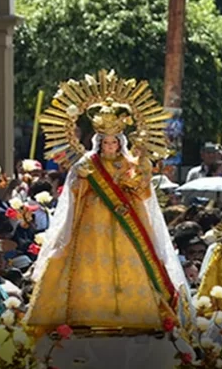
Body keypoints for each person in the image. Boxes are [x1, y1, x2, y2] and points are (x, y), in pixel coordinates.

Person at [25, 97, 191, 332]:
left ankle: (137, 315)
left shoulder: (129, 163)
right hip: (91, 221)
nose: (110, 146)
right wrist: (79, 179)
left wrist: (142, 172)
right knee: (88, 263)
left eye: (114, 142)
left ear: (120, 142)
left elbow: (141, 193)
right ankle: (84, 312)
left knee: (131, 264)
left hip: (126, 223)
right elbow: (73, 194)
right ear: (99, 142)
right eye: (106, 142)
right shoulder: (88, 162)